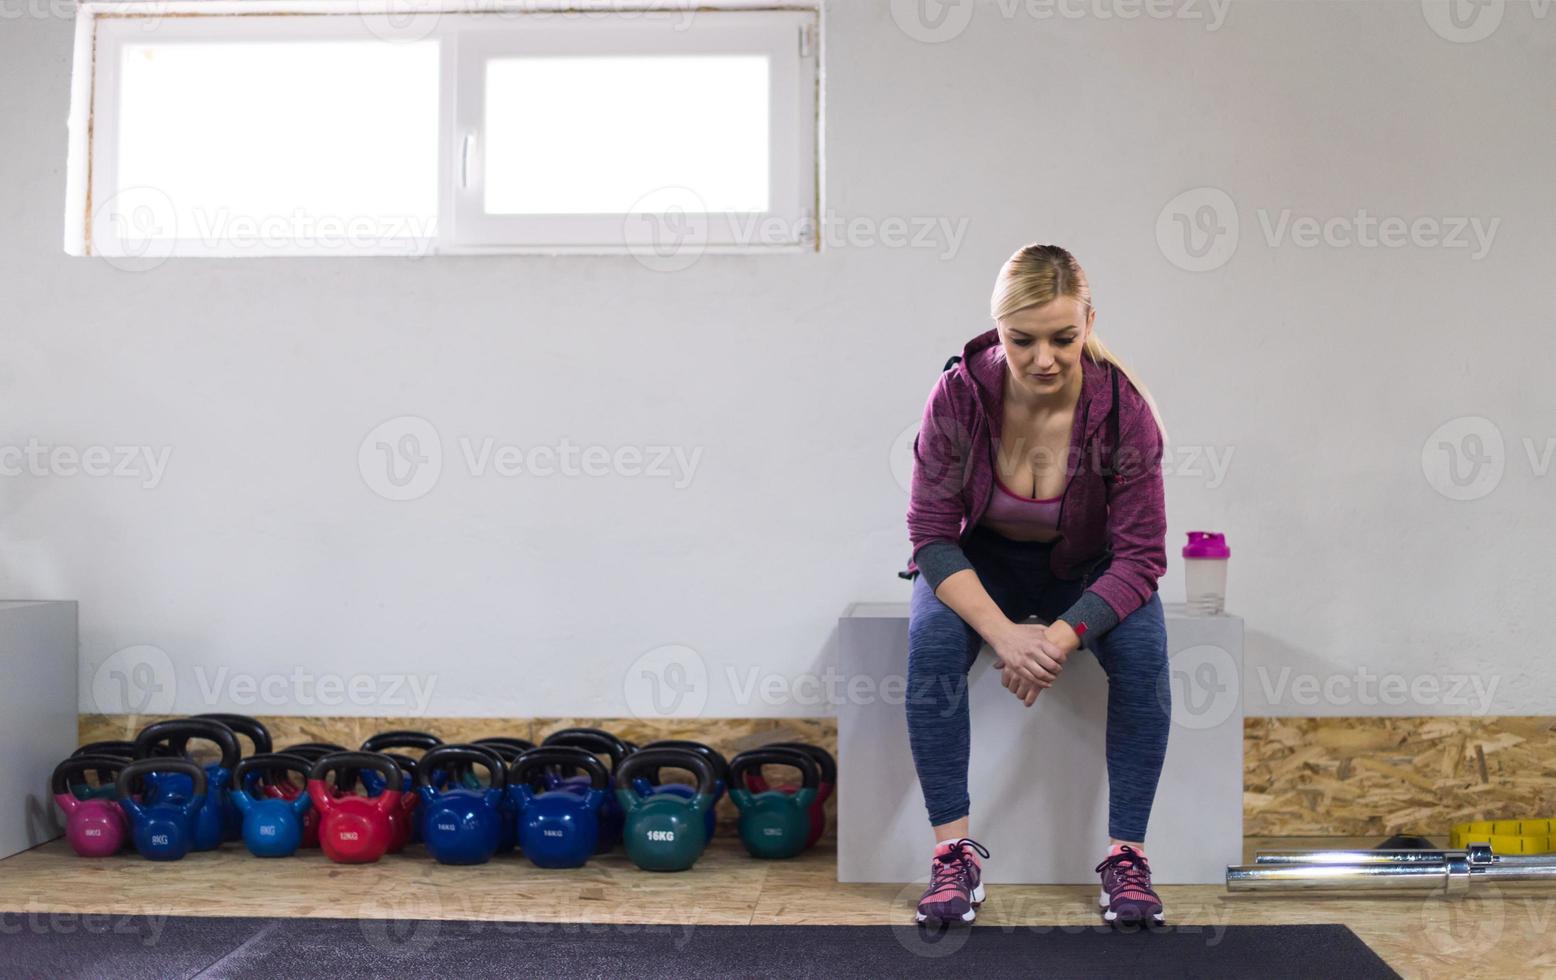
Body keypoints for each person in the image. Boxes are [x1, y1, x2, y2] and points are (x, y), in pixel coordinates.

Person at [901, 243, 1170, 927]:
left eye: (1063, 337)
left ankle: (1127, 857)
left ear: (1089, 321)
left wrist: (1052, 640)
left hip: (1087, 568)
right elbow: (931, 534)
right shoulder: (959, 394)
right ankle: (952, 854)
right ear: (998, 329)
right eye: (1022, 340)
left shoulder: (1124, 412)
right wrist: (1003, 636)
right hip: (980, 562)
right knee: (930, 653)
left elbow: (1140, 556)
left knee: (1143, 660)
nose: (1044, 359)